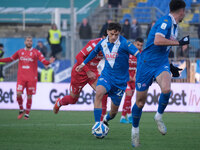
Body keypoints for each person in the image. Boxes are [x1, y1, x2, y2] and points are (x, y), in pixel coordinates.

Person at [131, 0, 189, 147]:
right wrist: (179, 43)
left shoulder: (174, 26)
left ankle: (158, 116)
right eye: (184, 11)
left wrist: (172, 60)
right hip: (146, 64)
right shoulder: (165, 21)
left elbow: (165, 43)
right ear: (181, 11)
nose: (185, 14)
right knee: (140, 102)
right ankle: (135, 130)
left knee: (167, 89)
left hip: (161, 63)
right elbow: (157, 40)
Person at [76, 23, 140, 136]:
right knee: (99, 93)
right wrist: (83, 64)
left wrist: (141, 69)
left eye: (116, 34)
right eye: (111, 34)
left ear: (119, 33)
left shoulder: (125, 43)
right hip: (106, 76)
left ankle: (106, 118)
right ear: (107, 32)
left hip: (120, 82)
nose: (114, 37)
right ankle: (97, 124)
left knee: (114, 112)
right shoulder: (102, 43)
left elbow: (139, 55)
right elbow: (93, 53)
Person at [53, 32, 108, 121]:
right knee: (73, 100)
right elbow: (78, 57)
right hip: (80, 73)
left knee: (103, 91)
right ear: (103, 37)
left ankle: (101, 121)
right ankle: (59, 103)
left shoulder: (111, 47)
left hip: (93, 73)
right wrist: (88, 71)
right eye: (109, 37)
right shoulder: (93, 44)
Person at [0, 36, 55, 120]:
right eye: (27, 41)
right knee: (18, 94)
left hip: (31, 78)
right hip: (21, 78)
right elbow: (10, 59)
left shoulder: (36, 52)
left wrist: (49, 62)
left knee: (29, 96)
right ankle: (21, 109)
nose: (29, 42)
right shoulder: (20, 52)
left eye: (30, 41)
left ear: (32, 43)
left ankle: (27, 113)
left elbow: (43, 61)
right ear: (25, 42)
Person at [120, 38, 144, 124]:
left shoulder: (141, 55)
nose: (139, 47)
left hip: (134, 79)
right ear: (134, 44)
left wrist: (135, 76)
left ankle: (129, 115)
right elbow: (123, 65)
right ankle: (122, 116)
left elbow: (140, 67)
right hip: (126, 78)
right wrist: (129, 76)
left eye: (141, 45)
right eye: (138, 45)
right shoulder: (128, 52)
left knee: (129, 98)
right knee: (128, 94)